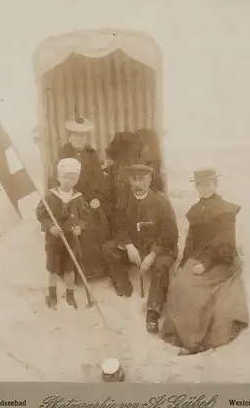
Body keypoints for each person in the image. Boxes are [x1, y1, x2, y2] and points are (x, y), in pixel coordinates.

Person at [161, 168, 249, 355]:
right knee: (179, 282)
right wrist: (184, 263)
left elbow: (225, 244)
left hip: (221, 261)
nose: (204, 189)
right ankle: (180, 335)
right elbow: (191, 242)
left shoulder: (225, 211)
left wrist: (205, 264)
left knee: (193, 291)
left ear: (215, 185)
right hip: (201, 258)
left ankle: (194, 342)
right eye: (200, 185)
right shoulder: (196, 210)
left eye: (208, 184)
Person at [103, 164, 179, 333]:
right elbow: (117, 226)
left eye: (141, 180)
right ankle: (124, 290)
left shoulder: (160, 200)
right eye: (133, 180)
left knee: (161, 267)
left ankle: (153, 312)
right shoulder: (124, 199)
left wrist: (152, 254)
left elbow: (171, 234)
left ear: (150, 180)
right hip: (135, 248)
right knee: (109, 249)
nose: (137, 183)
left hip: (160, 248)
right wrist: (128, 245)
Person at [48, 116, 110, 279]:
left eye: (82, 136)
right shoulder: (63, 153)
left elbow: (100, 181)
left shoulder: (91, 154)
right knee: (67, 227)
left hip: (87, 201)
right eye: (76, 135)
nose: (79, 139)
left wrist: (97, 198)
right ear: (70, 137)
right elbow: (55, 181)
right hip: (67, 200)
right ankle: (68, 271)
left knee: (95, 224)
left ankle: (91, 271)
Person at [36, 158, 91, 309]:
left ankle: (70, 295)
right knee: (53, 268)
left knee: (69, 268)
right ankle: (52, 295)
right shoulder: (49, 196)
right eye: (66, 176)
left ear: (77, 178)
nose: (69, 180)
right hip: (54, 240)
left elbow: (85, 216)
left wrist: (80, 227)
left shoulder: (78, 198)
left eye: (73, 177)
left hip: (71, 239)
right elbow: (41, 214)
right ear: (59, 177)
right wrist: (50, 227)